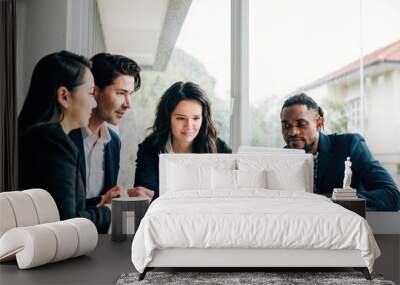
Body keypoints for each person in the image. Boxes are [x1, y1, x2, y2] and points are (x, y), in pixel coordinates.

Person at [18, 51, 111, 233]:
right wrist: (108, 211)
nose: (94, 103)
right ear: (64, 96)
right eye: (91, 93)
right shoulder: (52, 141)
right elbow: (67, 224)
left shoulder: (40, 137)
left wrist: (100, 203)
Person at [280, 93, 400, 211]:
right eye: (286, 126)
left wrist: (327, 200)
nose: (292, 132)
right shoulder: (279, 159)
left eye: (301, 124)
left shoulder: (349, 145)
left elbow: (392, 196)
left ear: (319, 123)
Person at [130, 81, 232, 200]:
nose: (189, 126)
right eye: (180, 118)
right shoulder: (149, 148)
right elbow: (145, 194)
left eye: (196, 118)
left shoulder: (221, 150)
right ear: (168, 118)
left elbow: (228, 195)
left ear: (203, 119)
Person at [69, 53, 141, 208]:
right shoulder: (65, 137)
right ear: (94, 91)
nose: (128, 104)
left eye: (130, 94)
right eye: (120, 93)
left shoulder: (114, 141)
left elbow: (104, 201)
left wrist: (123, 197)